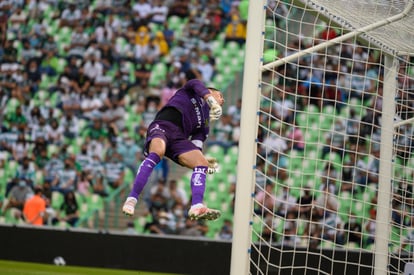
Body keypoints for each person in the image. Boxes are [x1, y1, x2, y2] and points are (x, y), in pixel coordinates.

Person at [122, 79, 224, 221]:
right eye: (220, 96)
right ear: (210, 92)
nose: (223, 100)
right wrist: (210, 100)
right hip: (163, 125)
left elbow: (196, 145)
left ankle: (196, 206)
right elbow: (195, 82)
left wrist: (203, 162)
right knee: (157, 153)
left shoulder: (205, 123)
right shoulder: (192, 91)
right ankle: (132, 199)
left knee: (201, 164)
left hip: (179, 139)